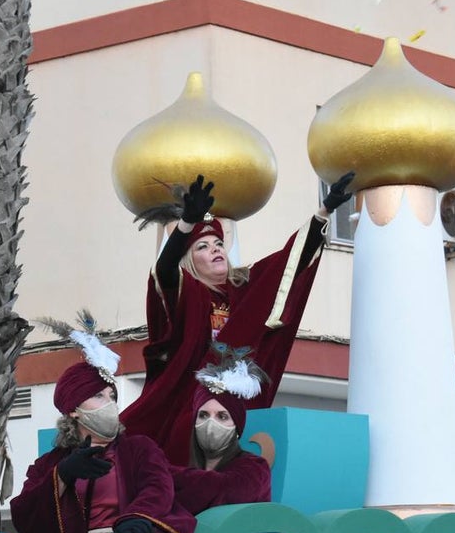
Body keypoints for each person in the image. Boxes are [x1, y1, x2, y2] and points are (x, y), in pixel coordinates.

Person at [121, 172, 355, 465]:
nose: (215, 249)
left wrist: (325, 210)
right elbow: (165, 271)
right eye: (202, 247)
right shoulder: (187, 291)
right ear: (189, 260)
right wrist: (186, 226)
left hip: (236, 409)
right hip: (185, 407)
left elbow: (288, 265)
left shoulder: (245, 286)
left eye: (218, 243)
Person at [10, 359, 196, 533]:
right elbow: (24, 513)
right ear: (73, 410)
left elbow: (158, 488)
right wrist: (62, 475)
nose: (110, 404)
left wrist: (136, 516)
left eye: (112, 396)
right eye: (99, 396)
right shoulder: (47, 464)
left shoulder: (139, 449)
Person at [172, 364, 273, 515]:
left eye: (222, 416)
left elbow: (219, 488)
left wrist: (160, 473)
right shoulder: (190, 470)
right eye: (204, 415)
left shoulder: (255, 469)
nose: (211, 423)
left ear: (236, 427)